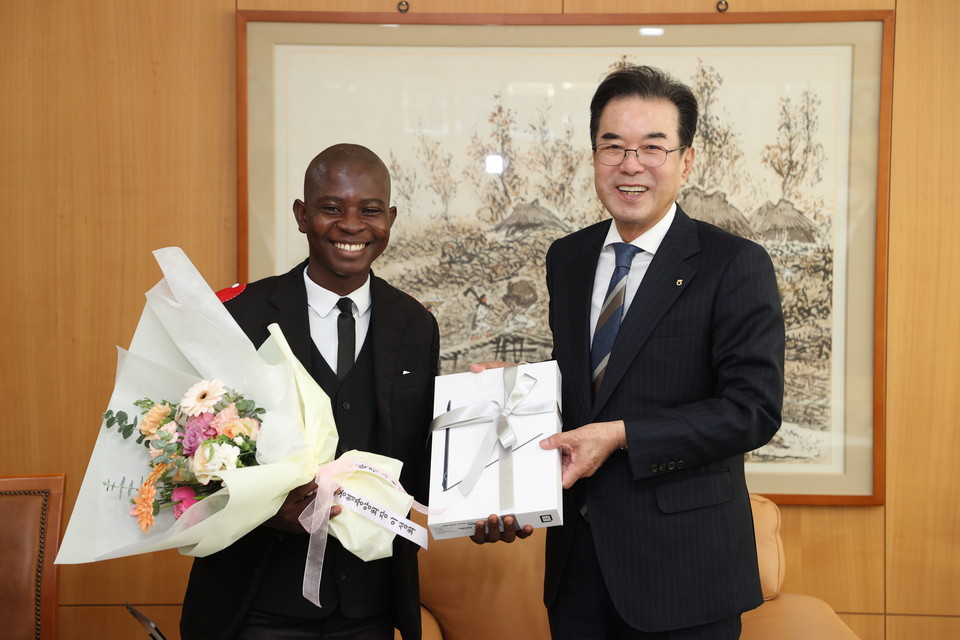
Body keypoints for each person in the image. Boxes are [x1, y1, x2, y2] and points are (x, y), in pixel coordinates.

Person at [474, 64, 785, 639]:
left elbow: (753, 410)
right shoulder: (568, 257)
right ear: (594, 155)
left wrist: (620, 435)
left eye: (652, 148)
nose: (631, 165)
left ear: (685, 161)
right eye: (612, 146)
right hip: (579, 571)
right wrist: (510, 398)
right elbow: (587, 386)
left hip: (686, 573)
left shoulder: (734, 264)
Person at [180, 144, 440, 640]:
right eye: (331, 208)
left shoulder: (416, 325)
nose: (351, 225)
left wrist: (486, 499)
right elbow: (188, 456)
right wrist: (262, 507)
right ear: (302, 215)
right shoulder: (239, 315)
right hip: (255, 603)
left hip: (370, 606)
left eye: (369, 210)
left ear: (391, 219)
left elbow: (420, 461)